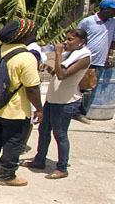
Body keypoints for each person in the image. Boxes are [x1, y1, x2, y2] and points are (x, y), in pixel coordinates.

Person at [0, 18, 44, 186]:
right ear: (24, 36)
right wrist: (39, 109)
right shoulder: (26, 57)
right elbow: (32, 88)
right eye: (32, 33)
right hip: (15, 110)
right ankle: (7, 176)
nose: (33, 36)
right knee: (13, 142)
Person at [23, 29, 91, 179]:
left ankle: (62, 167)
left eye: (70, 40)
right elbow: (58, 73)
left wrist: (58, 53)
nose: (66, 42)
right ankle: (39, 160)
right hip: (53, 99)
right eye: (66, 39)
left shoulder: (84, 57)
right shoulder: (70, 54)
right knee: (43, 130)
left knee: (60, 134)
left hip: (65, 102)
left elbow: (62, 75)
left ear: (82, 42)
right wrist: (48, 68)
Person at [76, 0, 115, 123]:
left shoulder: (113, 22)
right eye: (113, 10)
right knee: (80, 87)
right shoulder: (88, 22)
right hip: (85, 59)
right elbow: (76, 38)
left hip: (99, 60)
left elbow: (113, 40)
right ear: (105, 9)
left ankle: (80, 112)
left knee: (88, 87)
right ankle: (76, 113)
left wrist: (110, 56)